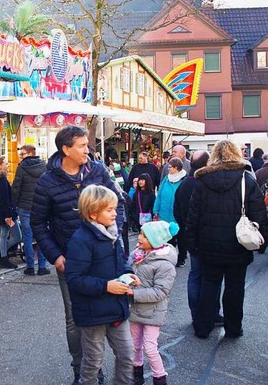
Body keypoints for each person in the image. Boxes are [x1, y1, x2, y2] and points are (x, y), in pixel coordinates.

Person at [31, 125, 125, 385]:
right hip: (70, 261)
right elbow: (38, 223)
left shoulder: (98, 171)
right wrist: (55, 256)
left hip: (105, 256)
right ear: (66, 149)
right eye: (82, 146)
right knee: (74, 318)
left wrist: (117, 244)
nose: (88, 150)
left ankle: (106, 367)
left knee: (110, 311)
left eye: (87, 145)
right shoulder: (47, 181)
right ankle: (82, 371)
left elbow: (119, 203)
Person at [185, 140, 268, 339]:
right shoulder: (246, 180)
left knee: (209, 285)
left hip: (209, 244)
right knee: (235, 288)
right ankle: (233, 328)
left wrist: (192, 243)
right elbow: (259, 214)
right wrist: (261, 240)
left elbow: (193, 216)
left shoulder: (203, 181)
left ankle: (203, 326)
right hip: (238, 246)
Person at [65, 185, 136, 385]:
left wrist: (129, 274)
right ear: (93, 214)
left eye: (114, 208)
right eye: (109, 209)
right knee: (93, 361)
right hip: (92, 313)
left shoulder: (112, 235)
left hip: (116, 308)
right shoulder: (81, 240)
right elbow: (75, 279)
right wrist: (106, 286)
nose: (115, 213)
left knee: (127, 355)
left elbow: (121, 263)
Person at [172, 151, 224, 327]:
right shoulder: (207, 184)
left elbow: (176, 209)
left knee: (195, 275)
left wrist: (184, 230)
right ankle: (210, 314)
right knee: (211, 277)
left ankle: (196, 314)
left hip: (189, 236)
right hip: (208, 238)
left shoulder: (184, 184)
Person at [129, 221, 179, 385]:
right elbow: (127, 269)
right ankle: (136, 376)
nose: (140, 237)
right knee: (134, 345)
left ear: (156, 240)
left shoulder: (165, 265)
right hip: (135, 309)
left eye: (144, 235)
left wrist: (133, 293)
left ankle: (159, 378)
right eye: (141, 233)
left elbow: (161, 292)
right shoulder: (138, 254)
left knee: (150, 348)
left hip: (153, 312)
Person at [12, 144, 49, 276]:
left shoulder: (22, 168)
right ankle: (42, 266)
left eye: (22, 154)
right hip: (40, 206)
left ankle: (30, 266)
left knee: (27, 236)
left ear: (30, 154)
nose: (21, 156)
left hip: (25, 206)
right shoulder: (44, 166)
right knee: (41, 235)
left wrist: (14, 204)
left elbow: (16, 187)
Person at [0, 157, 21, 269]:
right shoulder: (1, 181)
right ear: (0, 166)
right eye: (6, 163)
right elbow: (4, 200)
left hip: (2, 213)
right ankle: (2, 254)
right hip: (7, 214)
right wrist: (8, 215)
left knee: (3, 236)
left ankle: (3, 256)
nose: (8, 165)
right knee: (17, 236)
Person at [153, 157, 187, 265]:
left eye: (170, 167)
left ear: (176, 168)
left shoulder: (184, 180)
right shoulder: (166, 180)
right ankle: (168, 258)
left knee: (180, 237)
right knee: (167, 238)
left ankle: (181, 258)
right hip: (164, 213)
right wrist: (156, 210)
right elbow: (159, 195)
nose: (168, 169)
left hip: (178, 215)